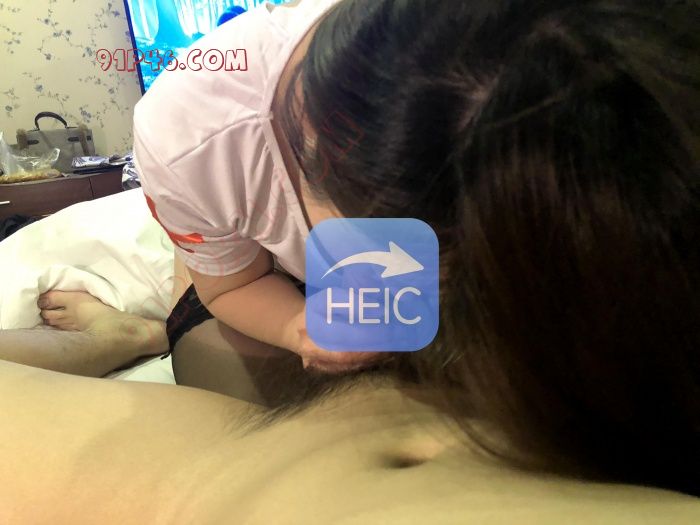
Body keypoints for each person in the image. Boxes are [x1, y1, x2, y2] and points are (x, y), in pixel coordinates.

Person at [2, 0, 699, 518]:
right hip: (258, 278)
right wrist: (298, 327)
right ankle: (129, 333)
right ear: (314, 154)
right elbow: (234, 285)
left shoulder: (625, 94)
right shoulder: (193, 133)